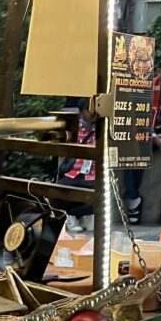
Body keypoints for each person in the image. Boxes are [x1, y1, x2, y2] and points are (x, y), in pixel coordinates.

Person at [123, 54, 161, 225]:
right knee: (133, 155)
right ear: (159, 70)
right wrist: (154, 137)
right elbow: (138, 116)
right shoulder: (148, 87)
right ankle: (133, 200)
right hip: (151, 133)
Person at [56, 98, 96, 235]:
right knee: (60, 190)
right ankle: (70, 216)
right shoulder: (74, 128)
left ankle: (79, 215)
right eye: (90, 110)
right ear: (82, 112)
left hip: (92, 172)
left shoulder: (102, 128)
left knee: (103, 194)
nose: (93, 113)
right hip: (73, 170)